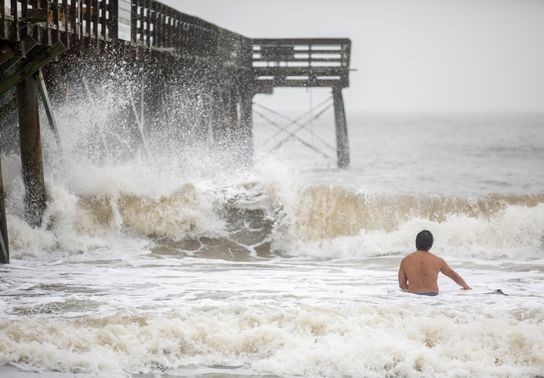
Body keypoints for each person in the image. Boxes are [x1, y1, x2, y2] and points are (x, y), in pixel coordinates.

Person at [398, 230, 471, 296]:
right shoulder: (438, 260)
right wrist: (466, 286)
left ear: (416, 242)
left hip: (414, 298)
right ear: (431, 243)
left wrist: (415, 289)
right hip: (432, 297)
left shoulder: (405, 260)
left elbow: (402, 285)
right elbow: (453, 275)